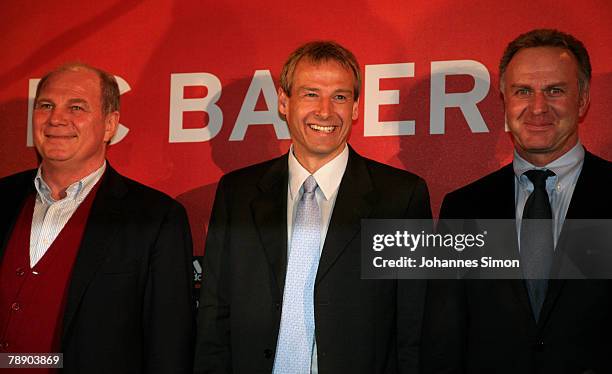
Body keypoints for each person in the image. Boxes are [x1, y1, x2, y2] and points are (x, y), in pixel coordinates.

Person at [194, 41, 432, 373]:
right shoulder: (238, 193)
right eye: (310, 94)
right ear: (283, 101)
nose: (325, 111)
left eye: (340, 96)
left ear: (356, 107)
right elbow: (215, 312)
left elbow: (412, 321)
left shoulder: (400, 198)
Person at [421, 29, 612, 373]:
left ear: (582, 99)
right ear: (505, 100)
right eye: (523, 91)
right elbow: (443, 339)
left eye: (555, 90)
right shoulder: (464, 208)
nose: (538, 107)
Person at [0, 63, 194, 373]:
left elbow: (168, 347)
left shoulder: (156, 218)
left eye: (76, 107)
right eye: (46, 105)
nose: (56, 119)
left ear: (109, 124)